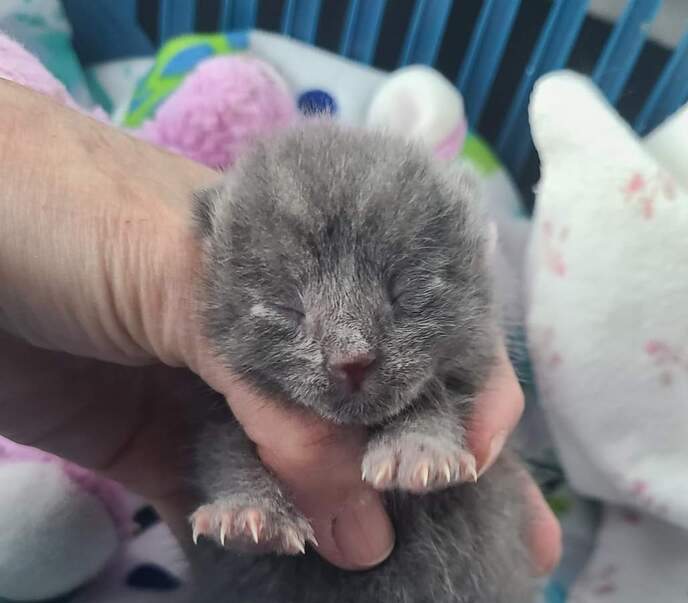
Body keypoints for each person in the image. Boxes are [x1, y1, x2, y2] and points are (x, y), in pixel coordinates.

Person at [0, 80, 560, 573]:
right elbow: (224, 441)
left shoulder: (456, 286)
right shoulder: (201, 339)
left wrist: (425, 429)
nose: (351, 348)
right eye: (289, 311)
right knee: (226, 438)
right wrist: (246, 497)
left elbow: (460, 380)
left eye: (405, 296)